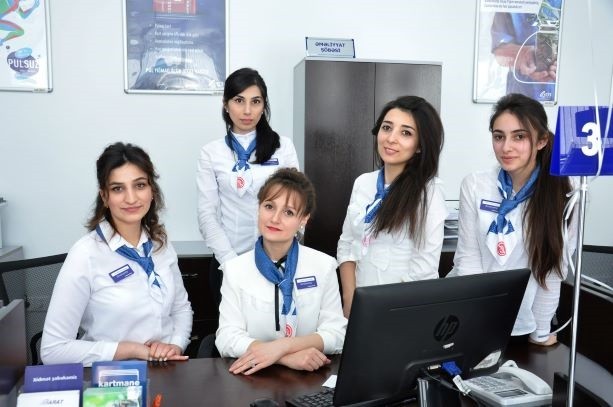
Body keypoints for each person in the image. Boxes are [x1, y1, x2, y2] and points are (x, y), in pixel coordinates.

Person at [41, 142, 193, 366]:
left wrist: (175, 344)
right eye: (118, 189)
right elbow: (53, 350)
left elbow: (181, 309)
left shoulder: (161, 243)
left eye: (140, 185)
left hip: (165, 368)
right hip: (111, 375)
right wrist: (132, 350)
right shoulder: (85, 254)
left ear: (152, 190)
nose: (131, 198)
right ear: (104, 196)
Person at [449, 93, 576, 345]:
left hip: (521, 321)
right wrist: (474, 324)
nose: (506, 147)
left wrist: (540, 332)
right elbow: (468, 260)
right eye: (499, 137)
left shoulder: (566, 193)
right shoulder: (475, 185)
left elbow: (552, 271)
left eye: (519, 137)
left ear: (541, 141)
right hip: (467, 314)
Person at [215, 168, 346, 374]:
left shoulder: (324, 266)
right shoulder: (234, 269)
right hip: (254, 378)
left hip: (310, 376)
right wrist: (284, 358)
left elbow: (337, 334)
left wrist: (284, 346)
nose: (275, 219)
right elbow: (226, 337)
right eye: (269, 206)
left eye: (288, 212)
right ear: (258, 208)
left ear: (303, 219)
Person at [197, 67, 299, 309]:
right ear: (225, 104)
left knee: (278, 327)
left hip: (277, 261)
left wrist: (279, 254)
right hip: (229, 262)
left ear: (264, 105)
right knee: (233, 332)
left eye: (255, 101)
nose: (247, 111)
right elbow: (206, 215)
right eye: (238, 100)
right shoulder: (211, 153)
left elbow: (297, 204)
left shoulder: (283, 147)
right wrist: (231, 265)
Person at [337, 96, 447, 317]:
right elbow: (347, 245)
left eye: (406, 133)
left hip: (403, 312)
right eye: (387, 128)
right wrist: (350, 301)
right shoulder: (363, 183)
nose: (391, 139)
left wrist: (387, 312)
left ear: (420, 145)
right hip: (361, 307)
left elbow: (423, 270)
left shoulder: (429, 192)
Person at [490, 0, 562, 103]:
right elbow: (498, 49)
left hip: (567, 92)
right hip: (521, 95)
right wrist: (522, 55)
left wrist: (563, 62)